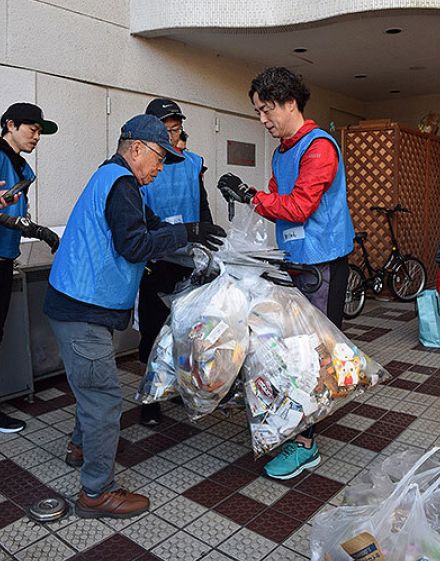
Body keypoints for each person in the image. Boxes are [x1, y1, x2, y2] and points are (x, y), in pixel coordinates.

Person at [44, 114, 225, 519]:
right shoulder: (122, 183)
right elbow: (134, 244)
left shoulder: (123, 183)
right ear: (137, 149)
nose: (160, 169)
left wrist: (196, 242)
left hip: (81, 306)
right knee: (105, 400)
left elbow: (154, 226)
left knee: (92, 388)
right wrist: (189, 233)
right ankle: (96, 492)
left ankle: (82, 446)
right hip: (81, 309)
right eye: (160, 158)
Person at [217, 67, 354, 480]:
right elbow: (277, 197)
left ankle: (307, 445)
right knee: (288, 351)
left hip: (323, 265)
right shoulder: (283, 151)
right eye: (258, 111)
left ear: (289, 102)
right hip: (294, 262)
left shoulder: (319, 148)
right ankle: (292, 424)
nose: (262, 119)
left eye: (266, 109)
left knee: (313, 355)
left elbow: (296, 207)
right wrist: (253, 198)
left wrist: (251, 197)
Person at [138, 98, 214, 426]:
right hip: (156, 261)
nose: (172, 135)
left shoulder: (192, 163)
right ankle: (150, 398)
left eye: (176, 128)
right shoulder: (141, 166)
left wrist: (211, 248)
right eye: (166, 129)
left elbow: (203, 207)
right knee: (153, 334)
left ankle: (183, 389)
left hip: (188, 262)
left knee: (187, 332)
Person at [0, 102, 59, 434]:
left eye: (39, 132)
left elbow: (19, 212)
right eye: (31, 129)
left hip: (6, 258)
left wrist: (35, 229)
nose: (36, 136)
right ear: (10, 125)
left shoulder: (22, 169)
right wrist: (31, 227)